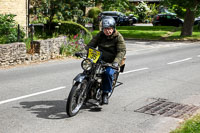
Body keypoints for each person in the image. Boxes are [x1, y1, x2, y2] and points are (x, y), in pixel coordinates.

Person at [87, 16, 126, 104]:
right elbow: (91, 45)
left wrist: (116, 63)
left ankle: (105, 93)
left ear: (113, 28)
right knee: (89, 70)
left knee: (108, 74)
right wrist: (83, 51)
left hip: (112, 61)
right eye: (105, 29)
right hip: (99, 58)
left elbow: (121, 51)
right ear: (102, 29)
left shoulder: (118, 37)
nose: (107, 31)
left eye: (110, 29)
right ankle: (86, 89)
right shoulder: (100, 35)